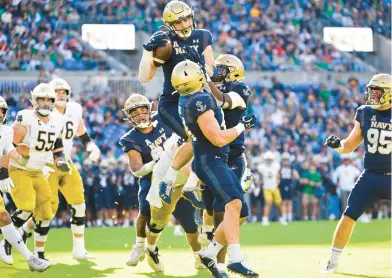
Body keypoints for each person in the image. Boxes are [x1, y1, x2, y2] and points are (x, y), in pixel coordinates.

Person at [173, 60, 258, 277]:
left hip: (217, 158)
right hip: (210, 159)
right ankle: (235, 259)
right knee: (232, 204)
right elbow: (219, 138)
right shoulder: (200, 100)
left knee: (240, 211)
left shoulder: (190, 98)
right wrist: (242, 126)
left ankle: (209, 253)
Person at [139, 0, 216, 208]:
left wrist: (203, 68)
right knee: (198, 138)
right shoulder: (165, 41)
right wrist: (148, 51)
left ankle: (184, 183)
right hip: (173, 102)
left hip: (198, 99)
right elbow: (144, 77)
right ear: (170, 24)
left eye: (187, 18)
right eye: (179, 21)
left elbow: (212, 69)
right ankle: (174, 182)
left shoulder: (203, 35)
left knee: (213, 139)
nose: (184, 24)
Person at [119, 94, 203, 272]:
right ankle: (141, 246)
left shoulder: (163, 117)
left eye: (143, 110)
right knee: (145, 211)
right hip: (152, 179)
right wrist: (154, 162)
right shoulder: (130, 138)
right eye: (136, 112)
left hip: (178, 175)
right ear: (129, 116)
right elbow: (137, 169)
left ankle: (199, 257)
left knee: (189, 222)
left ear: (150, 109)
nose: (141, 115)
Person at [20, 78, 100, 260]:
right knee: (49, 209)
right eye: (57, 92)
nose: (60, 94)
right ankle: (29, 238)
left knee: (79, 204)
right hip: (47, 165)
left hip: (67, 163)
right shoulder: (44, 113)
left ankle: (79, 249)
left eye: (64, 91)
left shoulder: (74, 110)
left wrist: (91, 147)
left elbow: (82, 134)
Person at [321, 73, 392, 273]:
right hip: (370, 174)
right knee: (348, 215)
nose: (373, 96)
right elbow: (350, 145)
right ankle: (332, 262)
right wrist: (338, 145)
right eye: (372, 92)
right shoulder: (365, 112)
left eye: (378, 92)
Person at [0, 83, 71, 262]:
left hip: (38, 170)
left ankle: (39, 253)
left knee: (46, 212)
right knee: (27, 206)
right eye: (42, 99)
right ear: (34, 100)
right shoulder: (25, 117)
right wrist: (3, 172)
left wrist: (59, 160)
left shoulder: (56, 120)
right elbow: (8, 146)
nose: (46, 103)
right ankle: (6, 243)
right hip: (20, 169)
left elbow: (57, 146)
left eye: (49, 100)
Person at [0, 96, 51, 272]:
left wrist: (25, 156)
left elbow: (14, 156)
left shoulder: (6, 131)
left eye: (1, 111)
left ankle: (30, 258)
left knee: (4, 217)